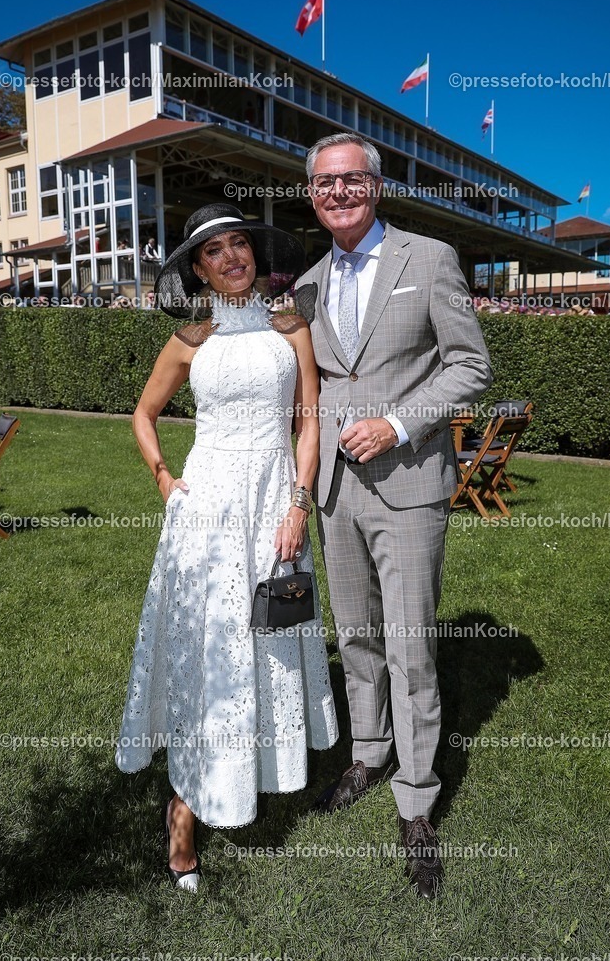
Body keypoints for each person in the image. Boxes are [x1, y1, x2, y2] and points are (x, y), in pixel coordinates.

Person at [115, 203, 338, 892]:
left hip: (273, 502)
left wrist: (298, 503)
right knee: (208, 648)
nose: (232, 257)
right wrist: (164, 481)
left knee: (267, 638)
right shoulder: (189, 338)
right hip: (206, 505)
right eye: (216, 251)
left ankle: (250, 775)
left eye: (240, 244)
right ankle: (183, 810)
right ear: (198, 268)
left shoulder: (289, 325)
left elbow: (308, 422)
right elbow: (142, 415)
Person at [294, 133, 493, 899]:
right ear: (310, 193)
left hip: (408, 484)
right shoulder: (306, 285)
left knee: (410, 647)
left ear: (375, 186)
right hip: (336, 493)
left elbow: (469, 365)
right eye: (324, 183)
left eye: (351, 180)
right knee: (356, 636)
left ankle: (416, 803)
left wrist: (399, 424)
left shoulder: (428, 257)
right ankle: (367, 755)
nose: (338, 192)